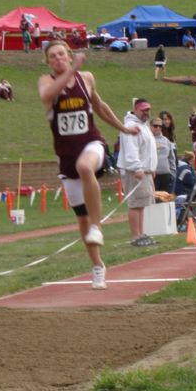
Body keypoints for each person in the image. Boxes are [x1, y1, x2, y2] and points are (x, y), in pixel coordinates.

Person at [38, 41, 136, 290]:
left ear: (69, 55)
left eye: (62, 54)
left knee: (85, 167)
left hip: (92, 143)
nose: (58, 58)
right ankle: (97, 265)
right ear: (48, 62)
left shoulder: (87, 78)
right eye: (53, 57)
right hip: (65, 155)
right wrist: (72, 70)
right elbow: (47, 97)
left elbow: (100, 106)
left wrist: (123, 129)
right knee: (80, 216)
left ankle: (97, 225)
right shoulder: (46, 82)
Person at [119, 99, 158, 247]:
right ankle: (135, 236)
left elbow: (148, 149)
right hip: (135, 171)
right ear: (135, 110)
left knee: (142, 203)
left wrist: (151, 167)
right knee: (135, 203)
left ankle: (141, 233)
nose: (146, 113)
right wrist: (138, 168)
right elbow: (131, 150)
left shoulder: (144, 126)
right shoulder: (131, 126)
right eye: (143, 110)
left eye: (148, 110)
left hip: (145, 170)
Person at [151, 117, 175, 193]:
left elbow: (171, 158)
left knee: (165, 200)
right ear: (150, 126)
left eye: (160, 126)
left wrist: (172, 173)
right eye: (155, 126)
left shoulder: (166, 140)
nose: (158, 128)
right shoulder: (147, 139)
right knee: (153, 201)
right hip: (152, 176)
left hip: (166, 175)